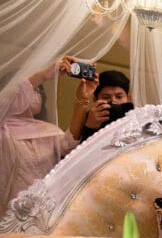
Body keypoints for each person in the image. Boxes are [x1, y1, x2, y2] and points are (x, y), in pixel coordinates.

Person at [0, 56, 96, 215]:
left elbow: (68, 145)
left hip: (43, 214)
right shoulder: (3, 127)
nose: (34, 93)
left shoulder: (48, 130)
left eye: (38, 90)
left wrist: (82, 100)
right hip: (7, 214)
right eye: (30, 88)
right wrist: (43, 75)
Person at [79, 70, 133, 142]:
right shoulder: (88, 118)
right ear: (95, 100)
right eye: (106, 97)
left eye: (119, 97)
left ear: (128, 98)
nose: (113, 101)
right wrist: (90, 127)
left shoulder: (135, 116)